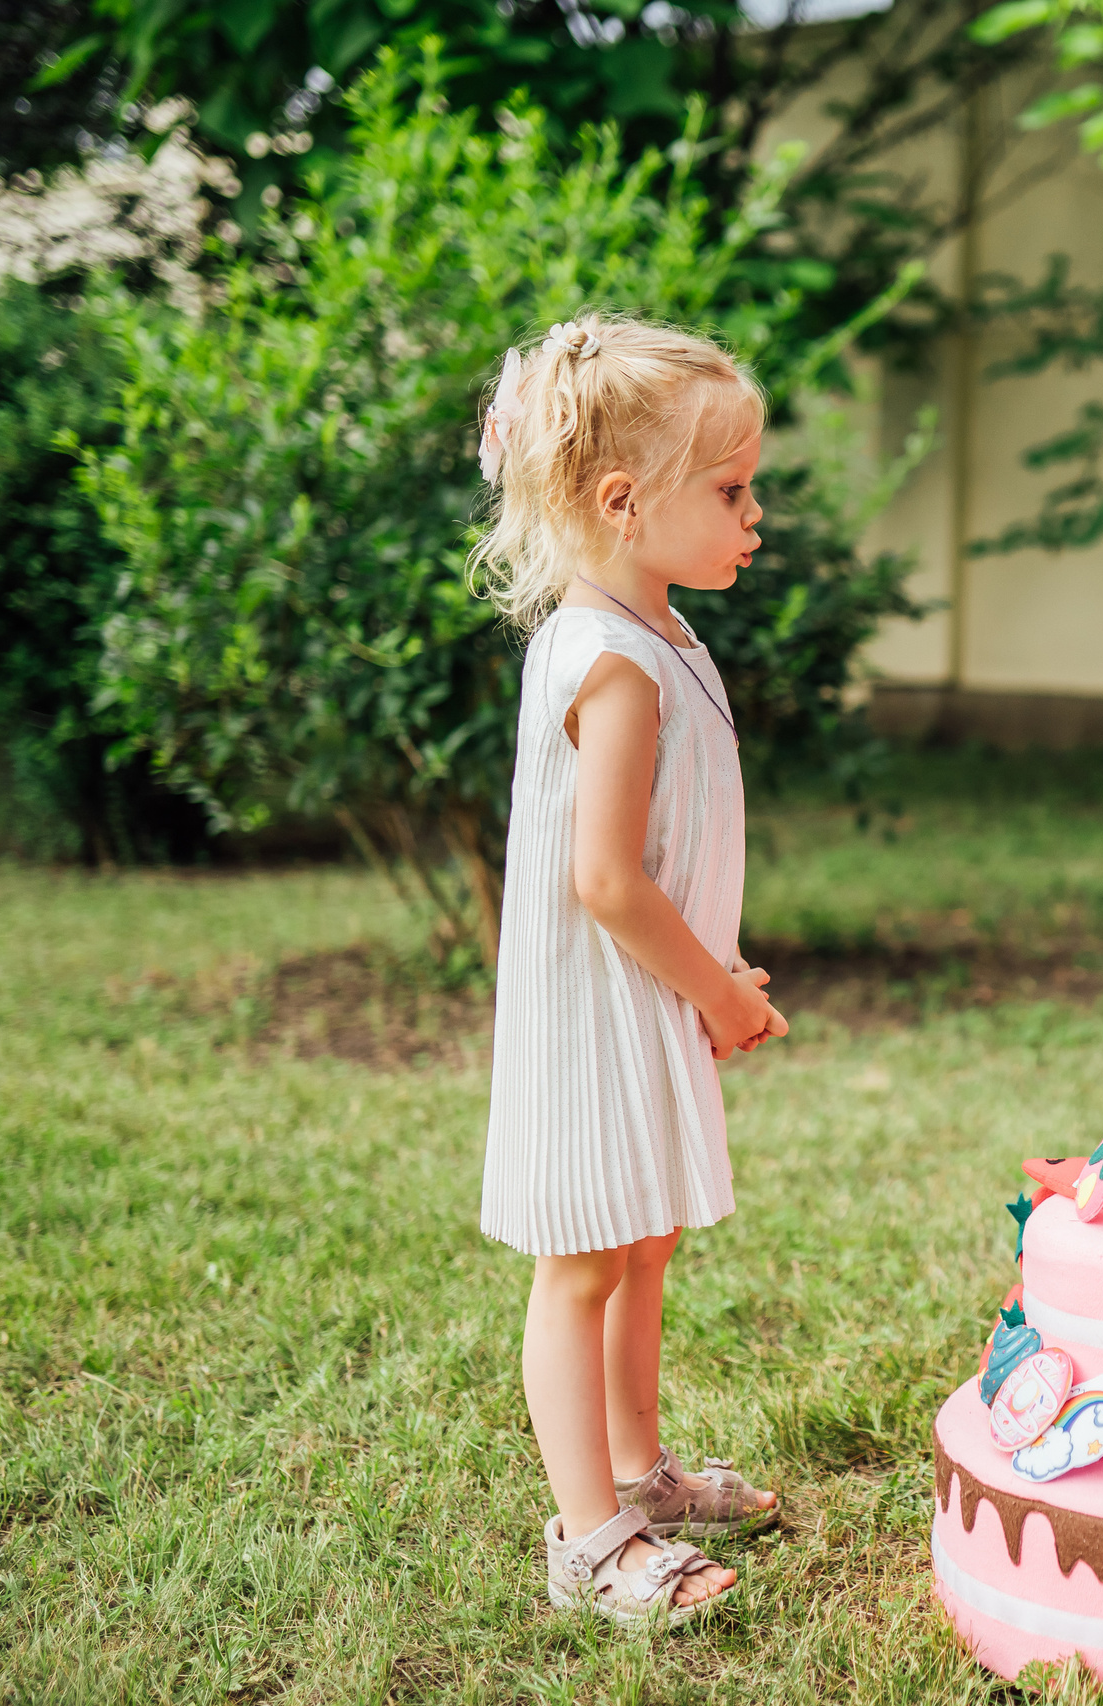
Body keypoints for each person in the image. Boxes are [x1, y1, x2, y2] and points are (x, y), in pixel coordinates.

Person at [471, 312, 791, 1625]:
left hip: (644, 994)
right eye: (731, 490)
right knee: (586, 1262)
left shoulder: (656, 634)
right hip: (595, 1012)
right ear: (624, 500)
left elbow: (661, 850)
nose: (755, 512)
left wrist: (712, 961)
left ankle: (636, 1470)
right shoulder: (609, 661)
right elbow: (602, 880)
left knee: (642, 1239)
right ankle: (591, 1537)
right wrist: (715, 991)